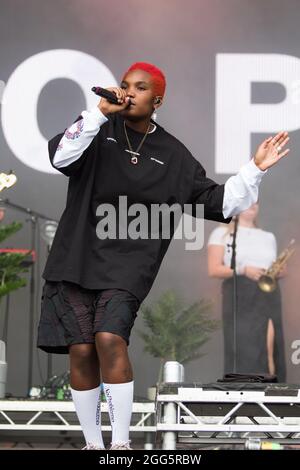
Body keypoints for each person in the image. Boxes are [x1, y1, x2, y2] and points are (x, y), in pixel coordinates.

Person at [37, 61, 290, 450]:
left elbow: (218, 202)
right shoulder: (97, 128)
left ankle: (119, 446)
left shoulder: (173, 154)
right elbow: (61, 156)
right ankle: (94, 446)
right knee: (82, 348)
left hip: (129, 263)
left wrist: (255, 168)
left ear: (158, 100)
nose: (129, 92)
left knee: (108, 337)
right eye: (125, 85)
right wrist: (96, 114)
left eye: (140, 88)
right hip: (77, 254)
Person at [207, 203, 287, 381]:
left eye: (256, 202)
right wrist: (244, 269)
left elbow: (279, 267)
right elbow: (213, 269)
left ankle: (273, 389)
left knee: (271, 345)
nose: (252, 205)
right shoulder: (221, 234)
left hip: (268, 293)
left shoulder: (268, 237)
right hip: (239, 293)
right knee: (244, 345)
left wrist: (279, 270)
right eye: (247, 201)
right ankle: (244, 389)